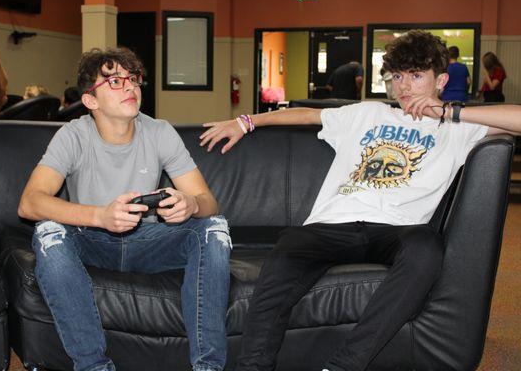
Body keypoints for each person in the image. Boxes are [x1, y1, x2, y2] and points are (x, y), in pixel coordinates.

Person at [200, 30, 521, 371]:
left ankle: (344, 366)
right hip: (332, 225)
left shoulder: (457, 128)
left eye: (416, 76)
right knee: (286, 251)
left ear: (440, 80)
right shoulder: (370, 113)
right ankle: (253, 366)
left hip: (398, 230)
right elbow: (306, 115)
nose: (404, 87)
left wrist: (451, 112)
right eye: (397, 76)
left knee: (426, 250)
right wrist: (245, 121)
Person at [18, 47, 231, 371]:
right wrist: (100, 216)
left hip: (150, 241)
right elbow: (30, 202)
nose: (130, 87)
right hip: (92, 240)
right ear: (91, 100)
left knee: (214, 228)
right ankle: (94, 367)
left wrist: (191, 204)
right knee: (48, 232)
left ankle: (209, 367)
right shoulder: (73, 135)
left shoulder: (159, 132)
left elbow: (209, 202)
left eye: (132, 79)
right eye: (115, 81)